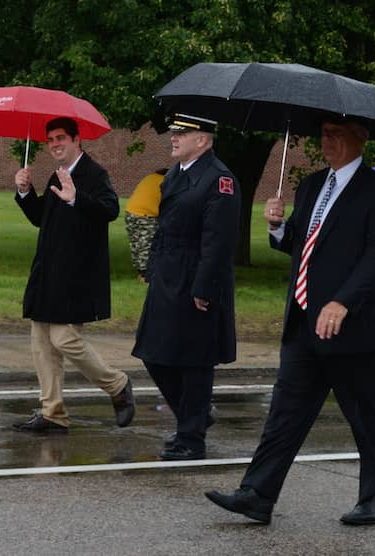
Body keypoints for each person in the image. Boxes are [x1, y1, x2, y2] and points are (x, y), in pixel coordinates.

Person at [205, 116, 375, 526]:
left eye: (335, 134)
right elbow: (301, 245)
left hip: (354, 327)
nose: (325, 141)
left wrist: (342, 303)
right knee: (285, 413)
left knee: (367, 416)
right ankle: (257, 493)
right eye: (323, 134)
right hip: (304, 321)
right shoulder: (312, 185)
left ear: (359, 138)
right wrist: (278, 228)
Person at [11, 117, 135, 433]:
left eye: (61, 138)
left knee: (64, 338)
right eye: (50, 139)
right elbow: (42, 219)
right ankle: (52, 414)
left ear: (77, 139)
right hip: (48, 273)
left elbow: (110, 209)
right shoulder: (57, 175)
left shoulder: (94, 174)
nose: (55, 144)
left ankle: (117, 384)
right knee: (42, 343)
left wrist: (77, 199)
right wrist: (26, 193)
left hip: (76, 275)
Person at [132, 113, 241, 461]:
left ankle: (191, 439)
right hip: (167, 273)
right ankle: (195, 415)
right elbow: (165, 228)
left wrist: (204, 288)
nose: (174, 138)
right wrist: (150, 265)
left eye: (183, 133)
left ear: (204, 140)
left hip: (197, 277)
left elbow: (218, 242)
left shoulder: (219, 180)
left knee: (194, 361)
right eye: (174, 133)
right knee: (154, 353)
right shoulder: (176, 175)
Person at [124, 168, 167, 282]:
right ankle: (146, 276)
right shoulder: (166, 181)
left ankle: (140, 271)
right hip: (146, 214)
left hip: (130, 211)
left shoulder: (149, 178)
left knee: (136, 244)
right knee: (146, 244)